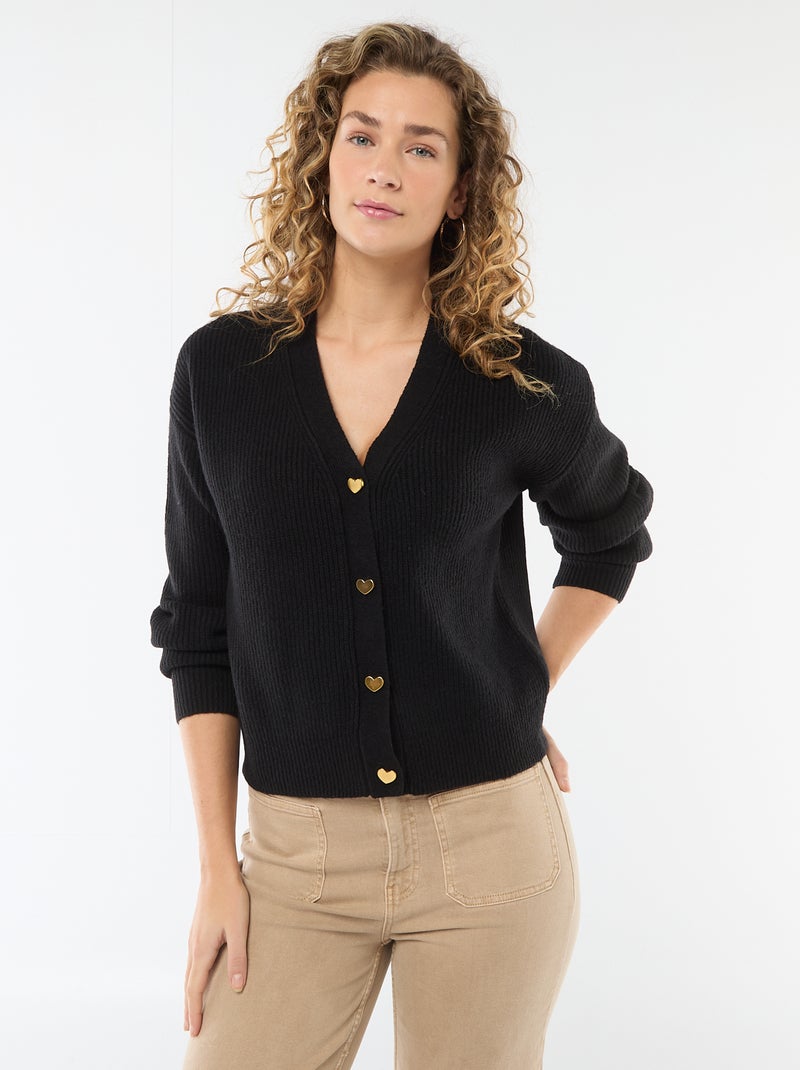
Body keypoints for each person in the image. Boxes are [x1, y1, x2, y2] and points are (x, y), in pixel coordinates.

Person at [150, 21, 654, 1070]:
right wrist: (215, 868)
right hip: (294, 860)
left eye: (421, 147)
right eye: (362, 136)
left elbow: (609, 534)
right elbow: (196, 623)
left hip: (490, 849)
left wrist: (520, 683)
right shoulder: (221, 375)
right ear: (322, 158)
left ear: (461, 191)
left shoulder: (519, 382)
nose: (384, 168)